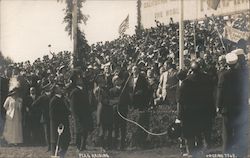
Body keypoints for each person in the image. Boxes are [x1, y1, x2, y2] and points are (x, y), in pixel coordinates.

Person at [178, 61, 215, 157]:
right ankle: (206, 149)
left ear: (191, 70)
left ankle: (196, 150)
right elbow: (212, 94)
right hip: (206, 109)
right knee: (206, 131)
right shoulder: (208, 78)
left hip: (192, 112)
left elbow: (181, 101)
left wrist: (180, 115)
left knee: (194, 132)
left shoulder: (187, 81)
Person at [216, 49, 248, 157]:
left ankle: (227, 154)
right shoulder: (243, 74)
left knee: (227, 134)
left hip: (228, 109)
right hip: (241, 107)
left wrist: (218, 106)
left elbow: (220, 92)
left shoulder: (223, 75)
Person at [128, 65, 150, 148]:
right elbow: (128, 88)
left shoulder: (142, 79)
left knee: (140, 119)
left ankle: (140, 140)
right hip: (132, 100)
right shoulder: (129, 79)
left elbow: (146, 89)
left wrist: (141, 92)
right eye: (133, 69)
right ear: (132, 70)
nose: (135, 70)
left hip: (140, 100)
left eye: (136, 69)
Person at [70, 73, 93, 151]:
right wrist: (75, 115)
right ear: (76, 82)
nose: (81, 80)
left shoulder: (84, 90)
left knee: (85, 130)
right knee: (79, 131)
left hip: (85, 113)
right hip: (79, 115)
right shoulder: (74, 92)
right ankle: (78, 145)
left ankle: (83, 146)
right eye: (79, 79)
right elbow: (73, 106)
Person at [50, 83, 70, 158]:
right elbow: (52, 115)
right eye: (59, 88)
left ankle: (61, 155)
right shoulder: (54, 100)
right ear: (55, 90)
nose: (62, 89)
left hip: (64, 123)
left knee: (66, 140)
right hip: (58, 125)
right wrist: (59, 124)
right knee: (57, 142)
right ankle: (58, 155)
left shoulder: (63, 99)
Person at [110, 75, 129, 150]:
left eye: (119, 79)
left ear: (121, 81)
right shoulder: (111, 90)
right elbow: (110, 101)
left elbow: (128, 100)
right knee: (115, 128)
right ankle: (114, 145)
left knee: (123, 128)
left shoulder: (125, 90)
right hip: (115, 111)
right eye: (116, 80)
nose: (118, 81)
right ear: (114, 82)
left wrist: (123, 102)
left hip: (123, 111)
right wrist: (115, 101)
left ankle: (122, 145)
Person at [94, 74, 113, 149]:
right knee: (103, 128)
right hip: (102, 109)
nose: (103, 81)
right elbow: (100, 100)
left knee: (109, 128)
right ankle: (103, 145)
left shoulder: (106, 89)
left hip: (108, 110)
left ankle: (108, 144)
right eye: (101, 81)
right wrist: (108, 101)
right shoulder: (97, 90)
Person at [3, 77, 23, 146]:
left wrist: (19, 104)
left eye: (16, 93)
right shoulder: (9, 99)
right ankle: (9, 141)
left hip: (17, 115)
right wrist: (9, 111)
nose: (15, 94)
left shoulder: (19, 99)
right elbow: (5, 106)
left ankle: (16, 141)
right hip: (10, 115)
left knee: (16, 128)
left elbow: (20, 107)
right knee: (10, 128)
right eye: (14, 93)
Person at [31, 85, 52, 151]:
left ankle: (54, 145)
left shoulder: (52, 96)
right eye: (48, 88)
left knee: (52, 131)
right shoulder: (42, 97)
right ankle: (49, 146)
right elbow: (34, 105)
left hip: (52, 116)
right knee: (47, 132)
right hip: (45, 116)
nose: (49, 89)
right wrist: (41, 110)